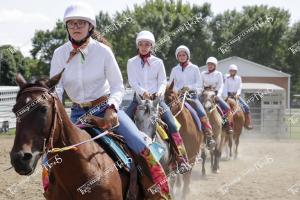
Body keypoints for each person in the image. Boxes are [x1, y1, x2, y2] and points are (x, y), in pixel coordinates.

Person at [49, 3, 171, 199]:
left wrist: (113, 108)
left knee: (140, 144)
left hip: (105, 108)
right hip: (76, 113)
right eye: (72, 23)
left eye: (81, 23)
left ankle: (158, 191)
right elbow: (57, 87)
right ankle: (51, 190)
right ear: (67, 27)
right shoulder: (58, 54)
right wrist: (58, 110)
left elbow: (117, 85)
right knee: (51, 155)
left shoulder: (103, 52)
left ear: (90, 27)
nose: (76, 27)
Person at [126, 31, 191, 174]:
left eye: (147, 44)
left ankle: (180, 158)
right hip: (138, 101)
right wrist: (143, 92)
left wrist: (159, 93)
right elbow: (132, 81)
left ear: (151, 46)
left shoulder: (158, 62)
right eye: (141, 44)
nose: (144, 47)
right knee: (120, 123)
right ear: (138, 45)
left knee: (172, 124)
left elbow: (162, 81)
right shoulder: (131, 62)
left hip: (157, 101)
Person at [169, 45, 216, 149]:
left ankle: (209, 136)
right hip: (178, 97)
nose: (181, 57)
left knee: (201, 112)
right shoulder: (174, 69)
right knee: (166, 112)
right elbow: (171, 84)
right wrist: (178, 89)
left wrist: (188, 87)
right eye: (179, 55)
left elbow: (199, 84)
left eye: (183, 55)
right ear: (177, 57)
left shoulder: (194, 68)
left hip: (192, 97)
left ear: (187, 56)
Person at [201, 57, 233, 133]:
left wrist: (218, 95)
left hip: (214, 94)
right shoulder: (202, 73)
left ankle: (227, 125)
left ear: (215, 65)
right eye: (209, 64)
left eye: (212, 64)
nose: (210, 66)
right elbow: (200, 84)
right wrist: (202, 92)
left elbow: (221, 85)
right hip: (204, 94)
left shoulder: (218, 74)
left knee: (227, 108)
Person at [223, 64, 253, 129]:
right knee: (222, 107)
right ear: (229, 71)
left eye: (233, 71)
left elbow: (240, 87)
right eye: (231, 71)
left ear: (236, 71)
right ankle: (223, 122)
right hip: (228, 96)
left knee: (246, 106)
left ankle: (247, 123)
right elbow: (225, 87)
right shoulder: (227, 78)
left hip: (236, 96)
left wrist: (238, 94)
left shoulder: (238, 78)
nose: (232, 72)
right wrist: (225, 96)